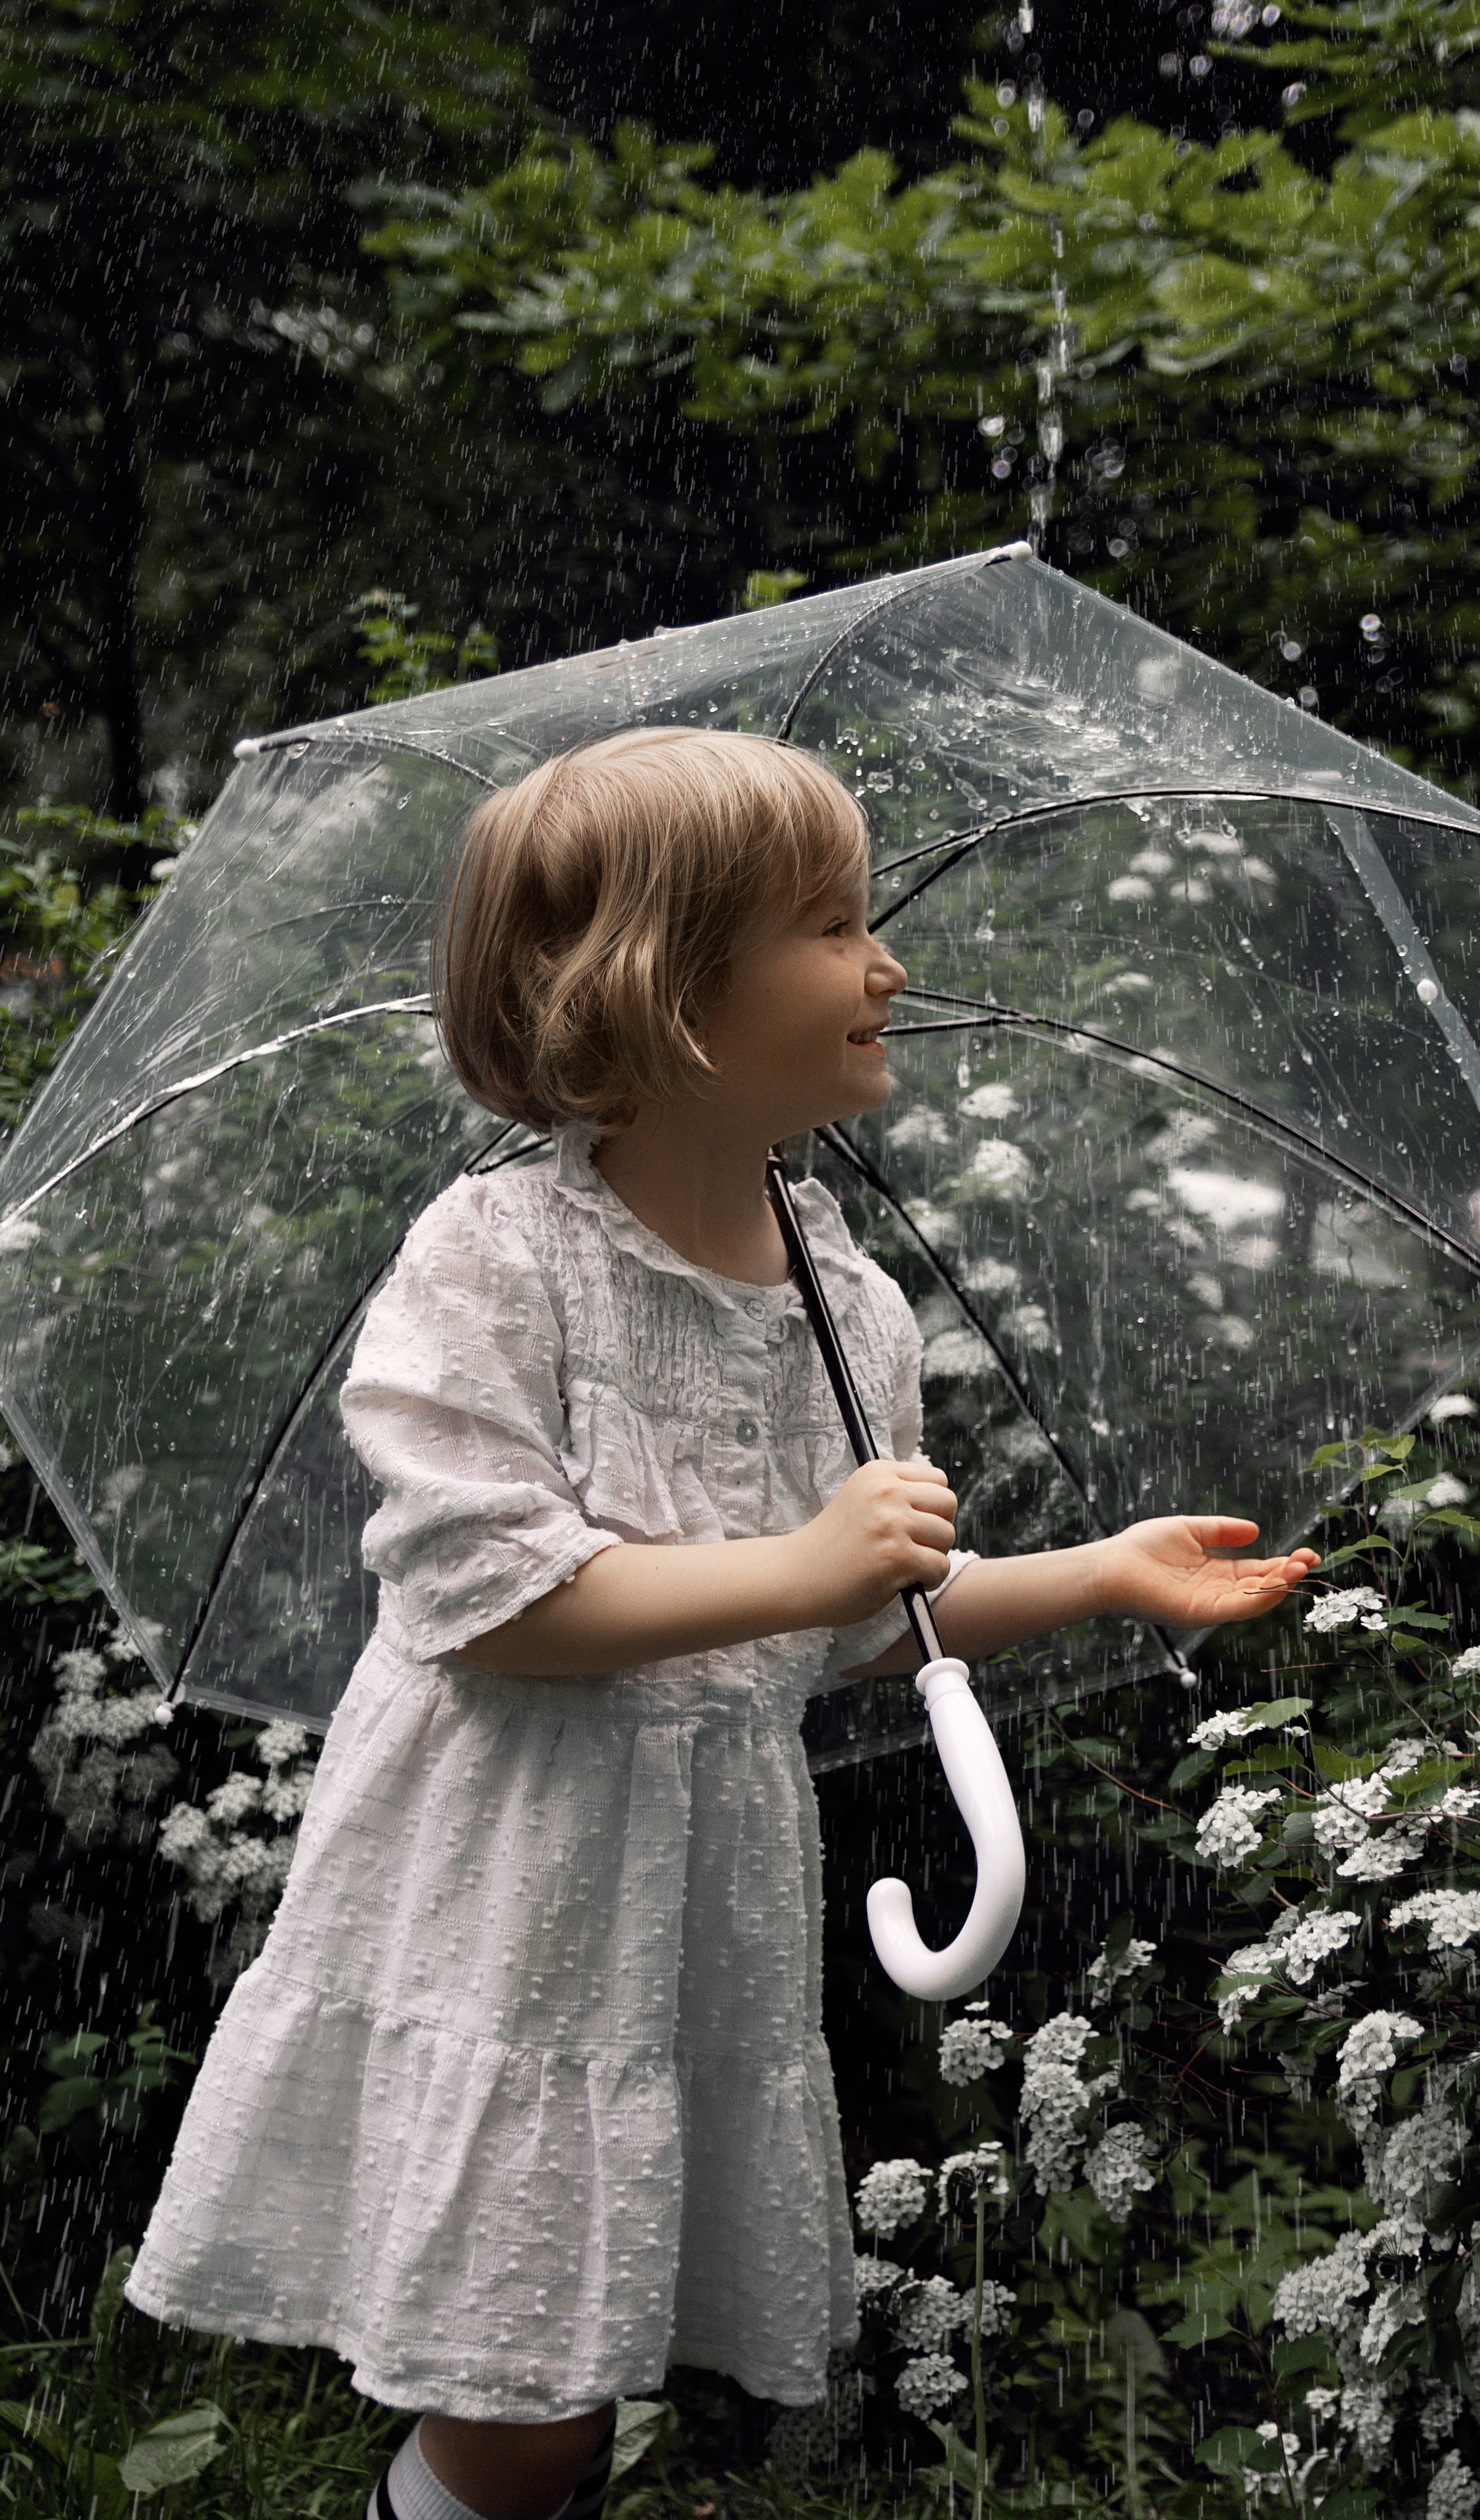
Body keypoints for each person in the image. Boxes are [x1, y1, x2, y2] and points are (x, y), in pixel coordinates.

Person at [125, 728, 1318, 2520]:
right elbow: (494, 1598)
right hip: (515, 1884)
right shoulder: (499, 1262)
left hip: (691, 1899)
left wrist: (1093, 1571)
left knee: (582, 2367)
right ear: (666, 989)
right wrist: (809, 1565)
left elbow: (847, 1619)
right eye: (832, 927)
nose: (888, 965)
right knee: (518, 2386)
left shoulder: (843, 1300)